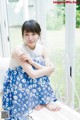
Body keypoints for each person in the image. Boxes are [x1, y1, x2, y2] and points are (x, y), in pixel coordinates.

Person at [2, 20, 60, 120]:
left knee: (38, 63)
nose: (30, 38)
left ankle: (38, 99)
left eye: (33, 34)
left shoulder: (42, 49)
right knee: (6, 113)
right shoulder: (18, 50)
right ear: (22, 35)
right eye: (26, 34)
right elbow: (33, 74)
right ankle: (5, 117)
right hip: (16, 82)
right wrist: (51, 68)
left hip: (31, 84)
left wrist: (33, 62)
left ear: (39, 35)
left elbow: (47, 74)